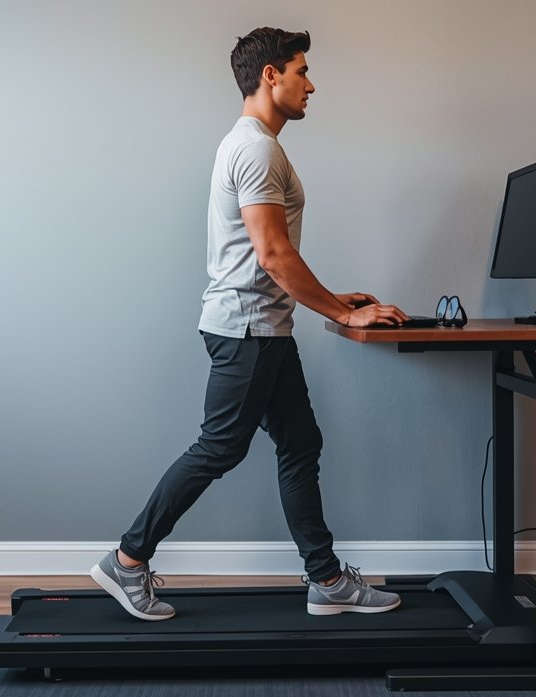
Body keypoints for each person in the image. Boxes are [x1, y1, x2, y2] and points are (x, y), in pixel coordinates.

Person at [91, 27, 409, 621]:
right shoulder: (258, 148)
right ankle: (128, 559)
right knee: (220, 447)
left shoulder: (253, 145)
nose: (310, 84)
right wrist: (344, 312)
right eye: (301, 70)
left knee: (299, 443)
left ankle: (327, 579)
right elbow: (272, 254)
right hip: (248, 329)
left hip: (260, 325)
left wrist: (333, 296)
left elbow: (265, 254)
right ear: (271, 75)